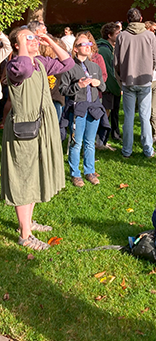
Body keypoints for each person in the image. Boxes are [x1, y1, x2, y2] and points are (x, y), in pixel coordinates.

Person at [3, 27, 74, 250]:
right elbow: (23, 68)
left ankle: (28, 222)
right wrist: (23, 41)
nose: (33, 41)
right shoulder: (15, 65)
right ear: (16, 45)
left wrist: (50, 42)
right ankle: (25, 235)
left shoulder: (41, 63)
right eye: (27, 39)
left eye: (34, 38)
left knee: (33, 175)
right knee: (23, 178)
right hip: (23, 132)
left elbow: (67, 64)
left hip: (40, 128)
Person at [59, 35, 107, 187]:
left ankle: (89, 171)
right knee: (76, 142)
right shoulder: (69, 67)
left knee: (89, 142)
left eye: (89, 43)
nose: (87, 46)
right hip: (77, 109)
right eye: (83, 44)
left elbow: (103, 87)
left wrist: (99, 83)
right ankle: (75, 174)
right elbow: (63, 89)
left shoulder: (95, 67)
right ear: (75, 48)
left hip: (93, 108)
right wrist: (78, 86)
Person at [114, 8, 156, 158]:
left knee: (128, 116)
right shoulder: (149, 36)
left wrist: (122, 76)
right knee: (144, 117)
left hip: (128, 80)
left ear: (127, 20)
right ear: (141, 19)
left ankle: (127, 150)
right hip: (145, 81)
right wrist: (148, 69)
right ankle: (148, 150)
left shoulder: (122, 36)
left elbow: (116, 62)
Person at [97, 22, 122, 142]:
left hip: (110, 87)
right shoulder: (104, 50)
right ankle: (100, 141)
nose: (119, 35)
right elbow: (108, 71)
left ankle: (104, 139)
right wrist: (117, 87)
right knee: (104, 114)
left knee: (109, 113)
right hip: (107, 88)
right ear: (109, 35)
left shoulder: (109, 48)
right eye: (117, 33)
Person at [144, 21, 156, 147]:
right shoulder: (142, 42)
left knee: (153, 108)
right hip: (145, 80)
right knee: (144, 109)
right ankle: (146, 133)